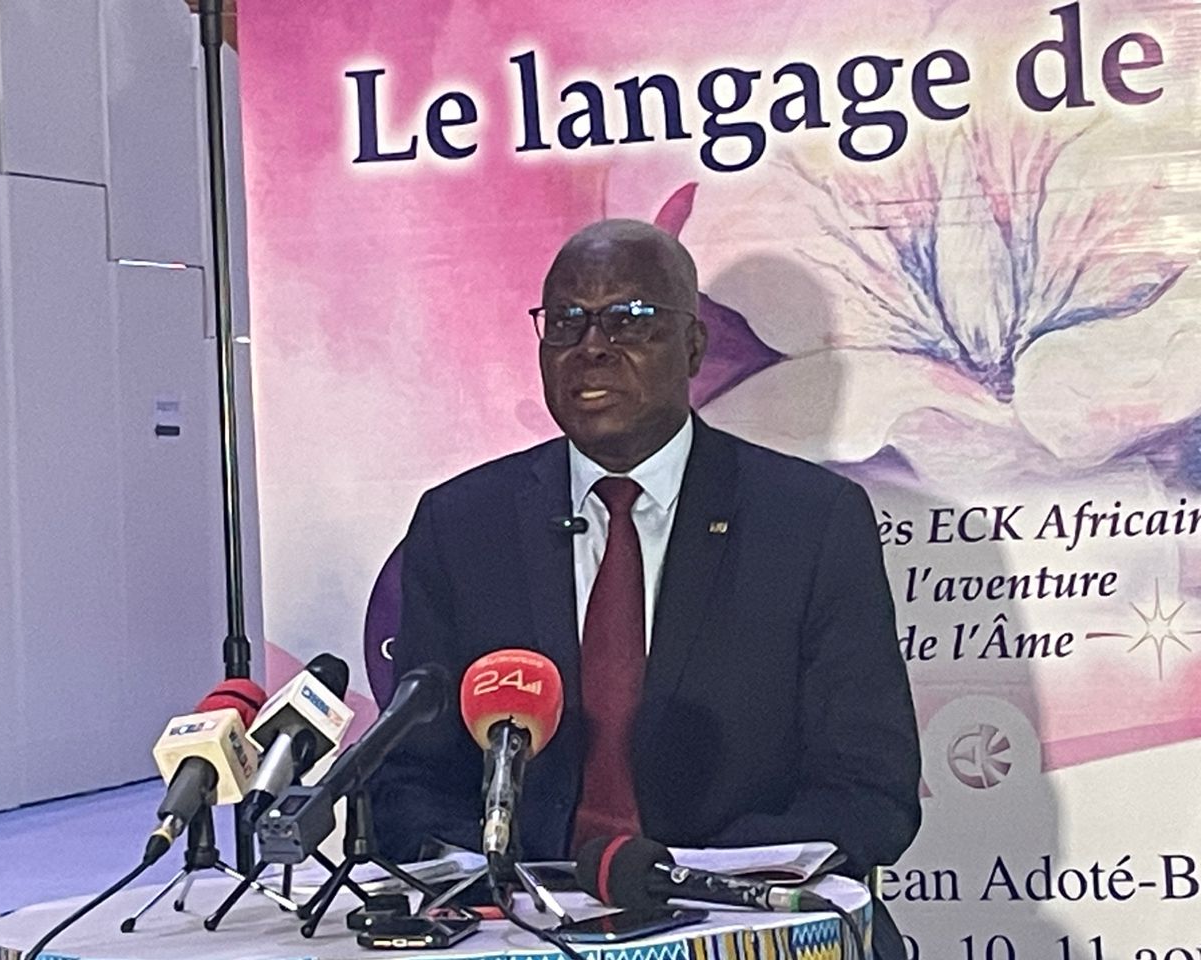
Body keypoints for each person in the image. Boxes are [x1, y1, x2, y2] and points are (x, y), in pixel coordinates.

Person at [369, 219, 921, 955]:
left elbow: (870, 791)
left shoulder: (809, 521)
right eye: (566, 321)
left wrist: (676, 881)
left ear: (692, 347)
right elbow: (408, 782)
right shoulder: (464, 525)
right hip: (524, 930)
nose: (592, 346)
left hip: (738, 925)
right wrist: (509, 884)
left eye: (629, 319)